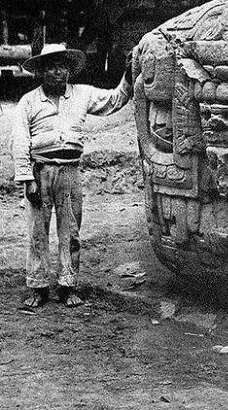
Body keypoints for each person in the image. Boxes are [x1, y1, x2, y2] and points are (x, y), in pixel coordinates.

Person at [11, 45, 133, 308]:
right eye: (53, 66)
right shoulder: (29, 101)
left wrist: (129, 74)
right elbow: (19, 140)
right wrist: (27, 179)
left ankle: (68, 286)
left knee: (71, 232)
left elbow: (114, 100)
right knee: (37, 232)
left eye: (64, 66)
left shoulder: (82, 94)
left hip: (70, 172)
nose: (59, 72)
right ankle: (38, 287)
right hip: (39, 171)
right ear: (42, 71)